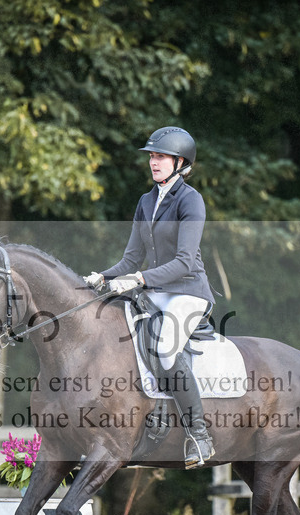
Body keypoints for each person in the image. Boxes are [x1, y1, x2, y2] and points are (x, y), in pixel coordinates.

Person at [83, 126, 216, 468]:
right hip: (155, 291)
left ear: (180, 162)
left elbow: (185, 262)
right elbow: (130, 258)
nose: (153, 162)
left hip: (187, 292)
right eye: (152, 156)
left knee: (166, 349)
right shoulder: (146, 201)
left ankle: (199, 436)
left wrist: (139, 279)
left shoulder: (191, 200)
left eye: (160, 157)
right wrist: (103, 276)